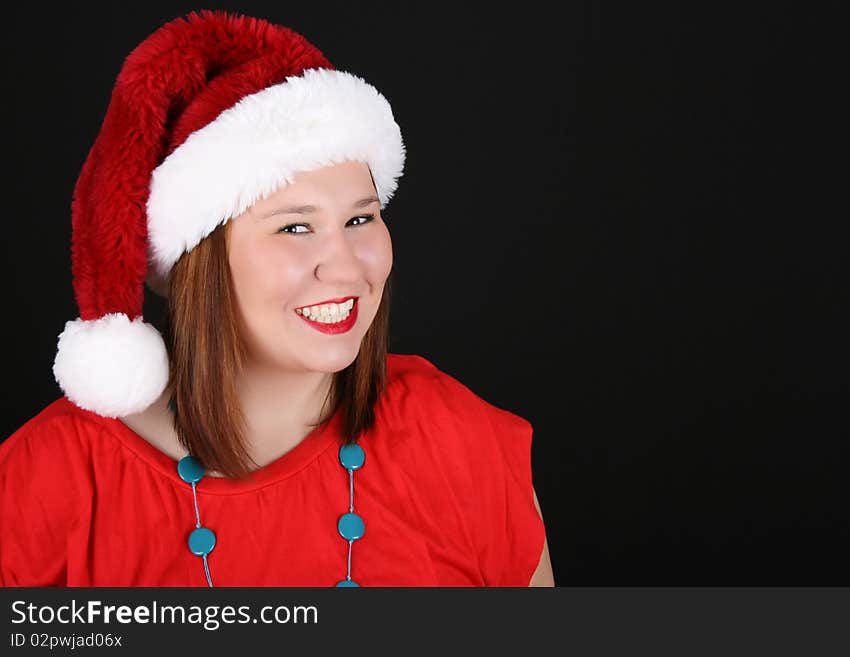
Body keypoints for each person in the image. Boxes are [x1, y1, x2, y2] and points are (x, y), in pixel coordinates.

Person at [0, 10, 553, 587]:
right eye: (295, 228)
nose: (346, 265)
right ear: (201, 261)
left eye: (361, 218)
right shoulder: (52, 478)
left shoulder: (460, 441)